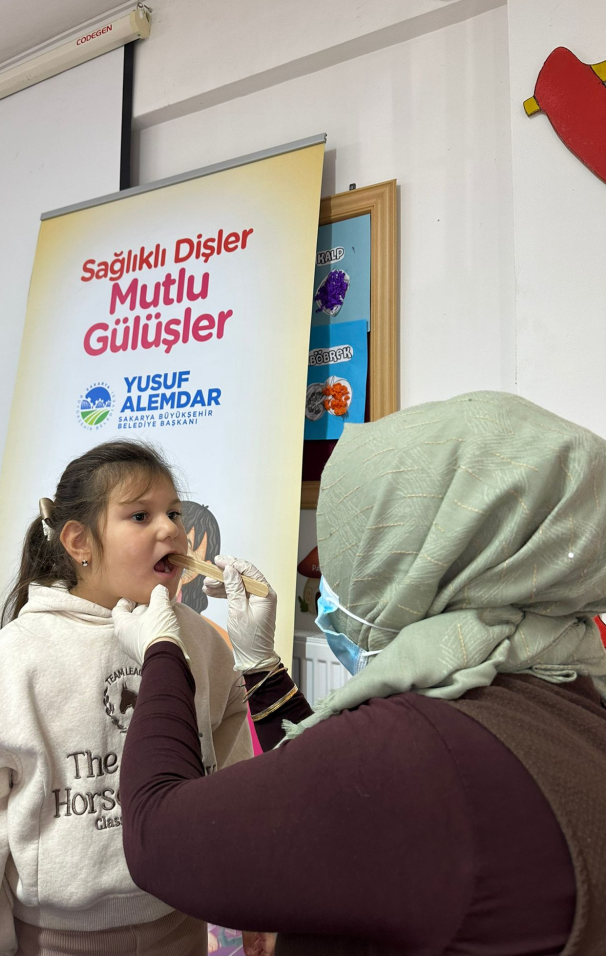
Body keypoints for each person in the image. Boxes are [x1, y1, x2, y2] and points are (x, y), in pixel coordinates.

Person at [111, 392, 606, 955]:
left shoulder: (419, 754)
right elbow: (327, 787)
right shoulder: (565, 689)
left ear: (418, 558)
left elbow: (156, 834)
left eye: (349, 546)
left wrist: (162, 653)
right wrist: (261, 665)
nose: (332, 578)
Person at [0, 440, 252, 956]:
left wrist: (246, 889)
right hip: (58, 941)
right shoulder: (17, 659)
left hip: (183, 922)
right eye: (141, 515)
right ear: (79, 541)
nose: (171, 530)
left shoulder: (198, 636)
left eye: (173, 513)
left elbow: (233, 740)